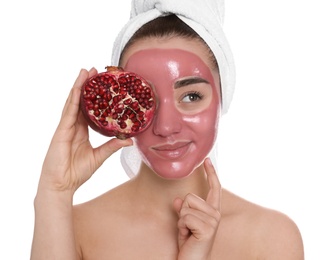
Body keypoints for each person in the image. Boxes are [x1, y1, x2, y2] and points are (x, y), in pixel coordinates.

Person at [31, 1, 304, 259]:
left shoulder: (272, 238)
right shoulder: (74, 228)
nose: (166, 127)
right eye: (144, 100)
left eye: (191, 96)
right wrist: (54, 191)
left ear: (223, 96)